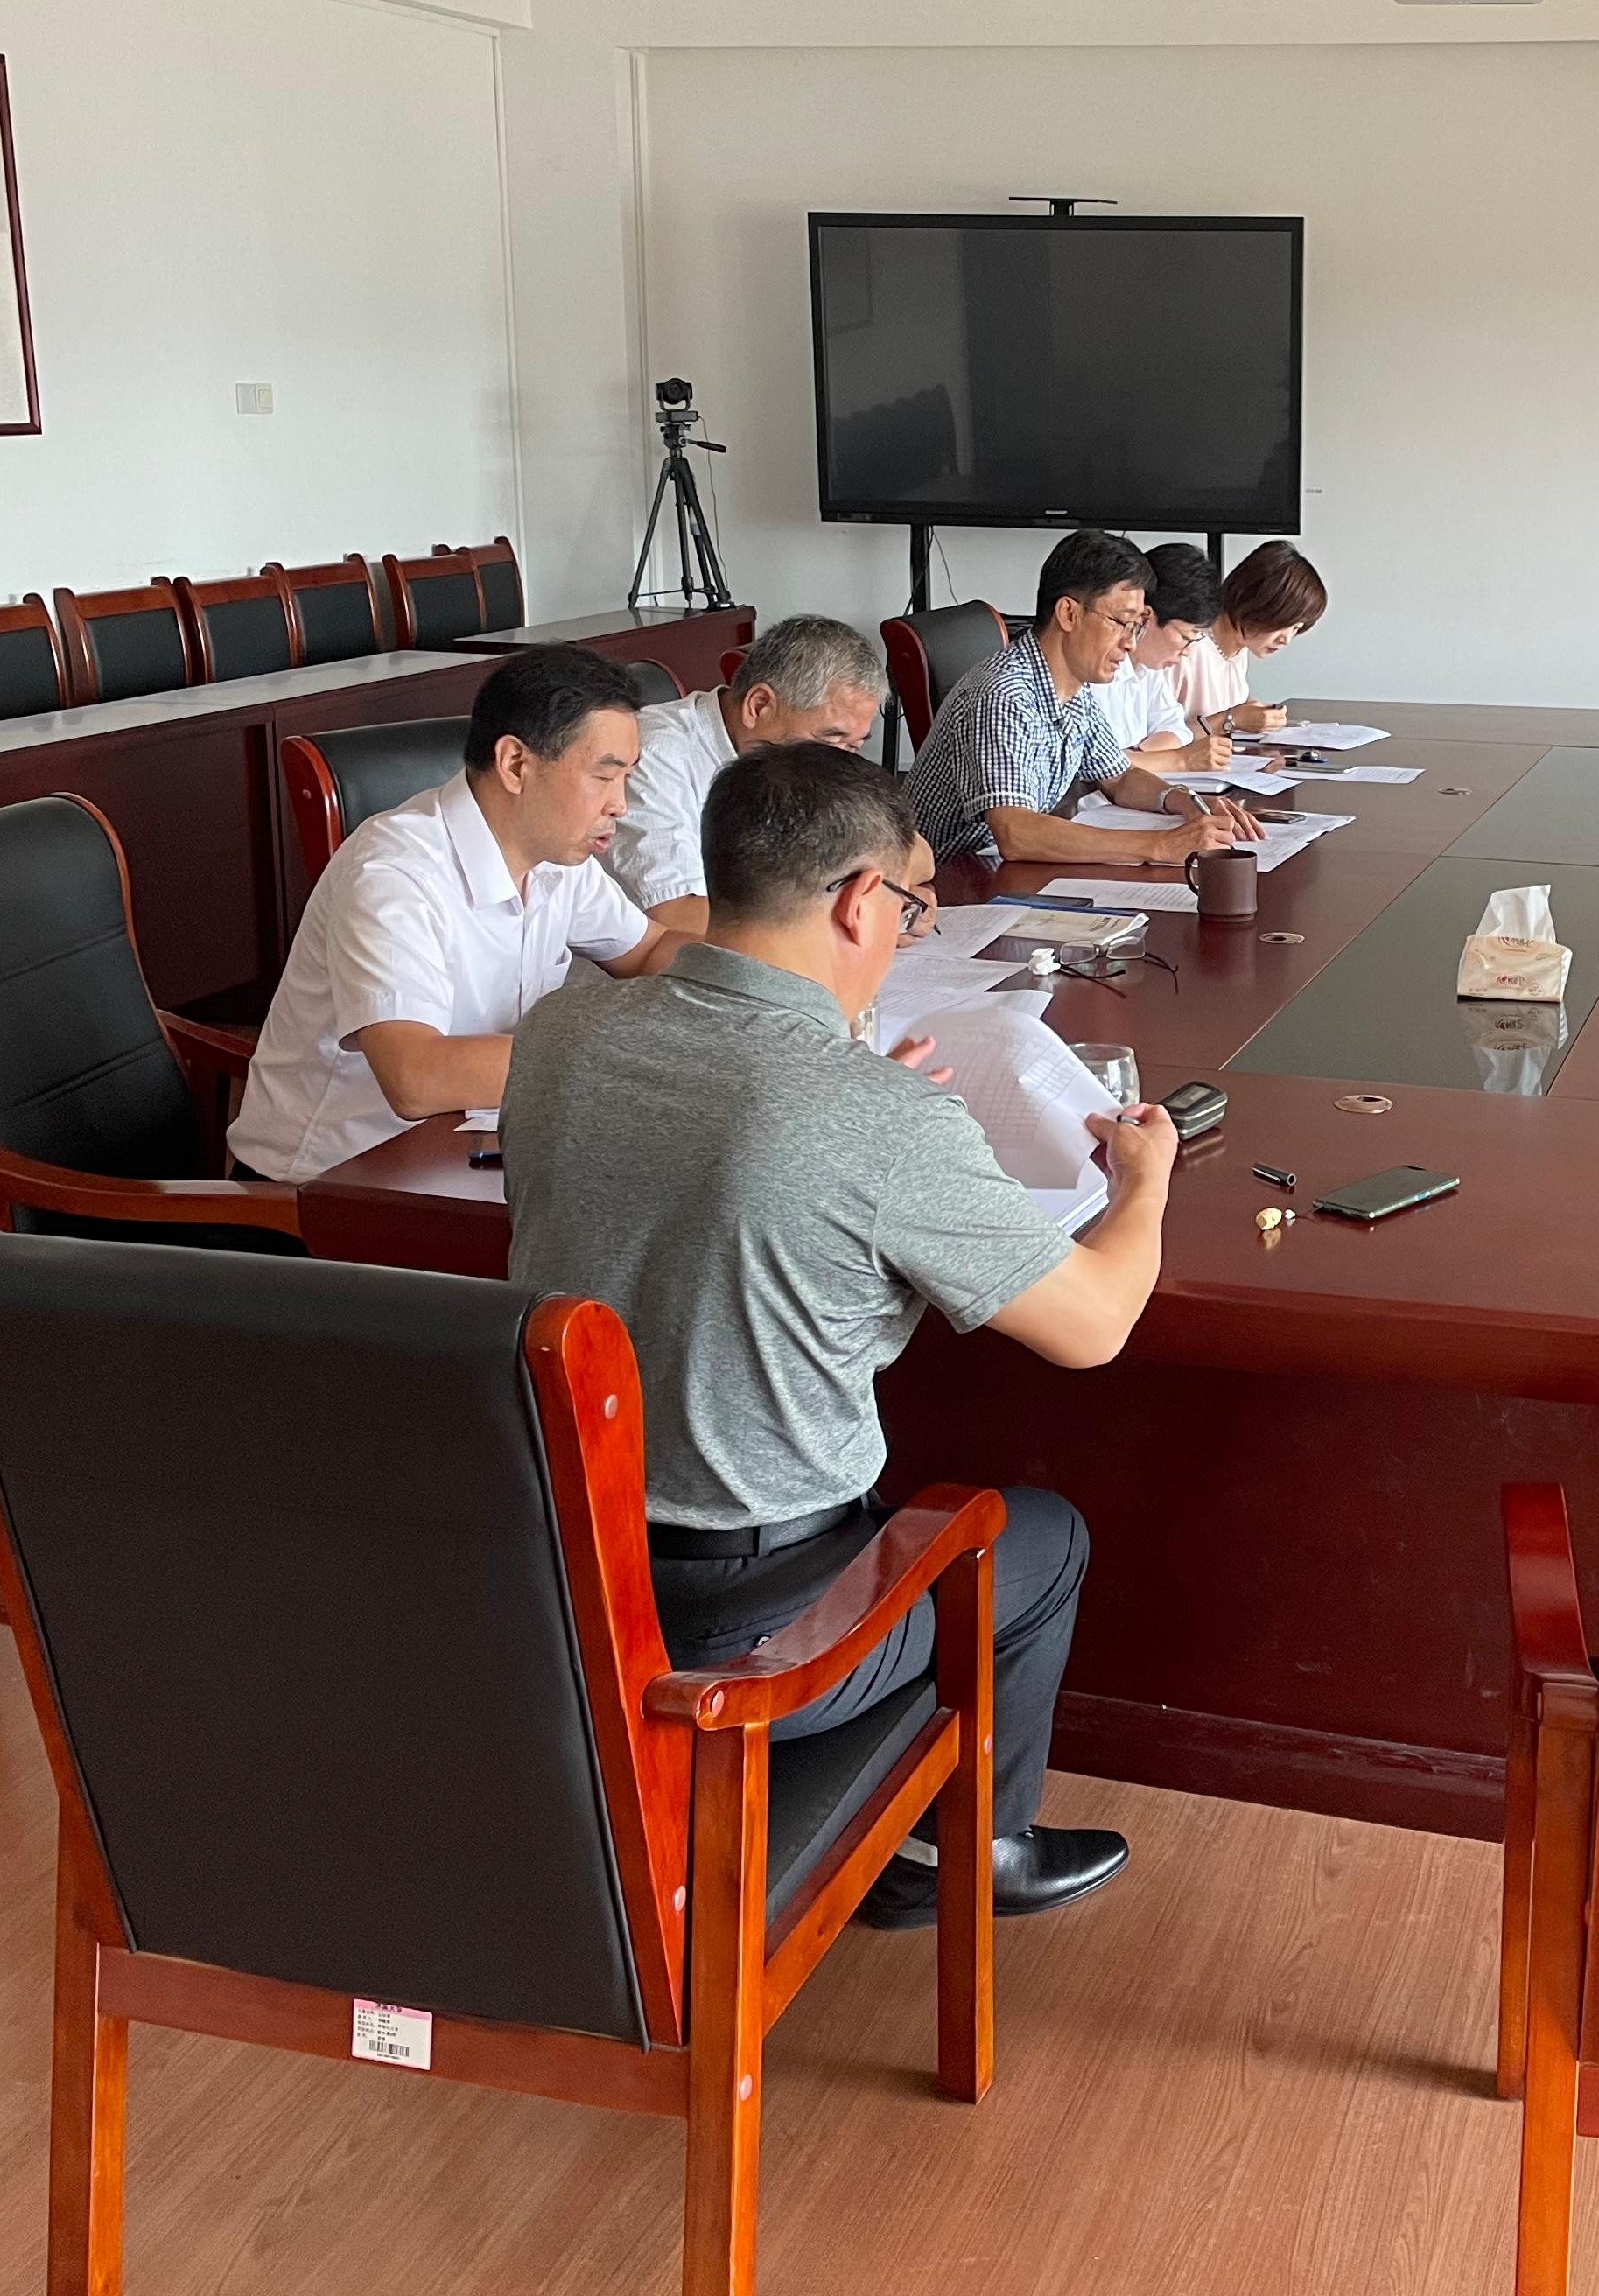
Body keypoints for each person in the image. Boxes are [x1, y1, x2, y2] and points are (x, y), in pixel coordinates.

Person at [504, 743, 1179, 1926]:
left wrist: (864, 1097)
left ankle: (832, 1814)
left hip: (556, 1581)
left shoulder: (561, 1035)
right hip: (755, 1631)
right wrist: (1145, 1183)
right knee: (1039, 1538)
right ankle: (973, 1851)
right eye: (912, 911)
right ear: (862, 900)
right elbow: (1097, 1325)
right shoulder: (876, 1117)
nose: (905, 935)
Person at [228, 645, 683, 1180]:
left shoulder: (555, 856)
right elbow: (415, 1077)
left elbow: (650, 948)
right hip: (324, 1187)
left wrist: (749, 969)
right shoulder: (394, 873)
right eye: (604, 777)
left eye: (627, 778)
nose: (620, 804)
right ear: (516, 765)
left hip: (468, 1149)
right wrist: (618, 1055)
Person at [905, 529, 1262, 869]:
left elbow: (1120, 778)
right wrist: (1160, 845)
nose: (1130, 643)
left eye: (1136, 627)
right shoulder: (1004, 693)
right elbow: (1016, 832)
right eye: (1121, 622)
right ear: (1069, 614)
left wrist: (1187, 802)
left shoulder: (1074, 689)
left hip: (1001, 871)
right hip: (947, 883)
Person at [604, 613, 887, 938]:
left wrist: (896, 903)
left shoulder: (800, 761)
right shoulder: (655, 755)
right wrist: (858, 915)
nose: (840, 762)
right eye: (830, 739)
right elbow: (677, 915)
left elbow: (909, 854)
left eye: (853, 746)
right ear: (759, 706)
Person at [1090, 541, 1236, 774]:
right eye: (1186, 637)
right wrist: (1177, 760)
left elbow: (1176, 728)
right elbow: (1095, 767)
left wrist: (1139, 755)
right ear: (1145, 616)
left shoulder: (1148, 670)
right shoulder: (1095, 670)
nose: (1187, 651)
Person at [1173, 538, 1326, 735]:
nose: (1286, 639)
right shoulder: (1187, 647)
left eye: (1296, 628)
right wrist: (1233, 719)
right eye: (1283, 623)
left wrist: (1255, 712)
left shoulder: (1239, 647)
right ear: (1257, 601)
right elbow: (1154, 741)